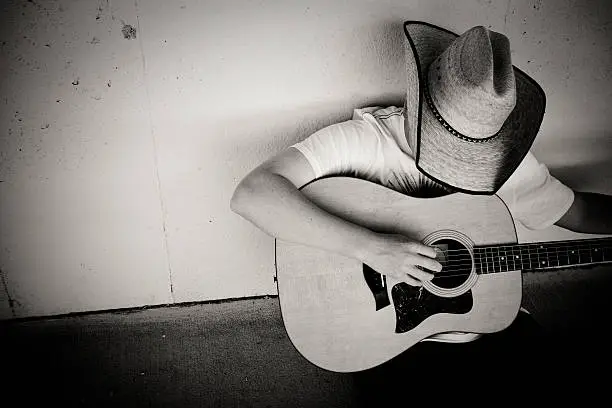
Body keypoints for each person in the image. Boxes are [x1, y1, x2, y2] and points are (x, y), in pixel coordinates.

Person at [230, 21, 612, 395]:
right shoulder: (364, 140)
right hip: (390, 339)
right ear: (419, 107)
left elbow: (577, 212)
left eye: (474, 150)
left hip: (490, 328)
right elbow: (253, 195)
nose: (465, 161)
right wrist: (372, 248)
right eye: (451, 144)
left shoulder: (505, 158)